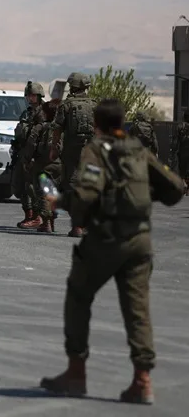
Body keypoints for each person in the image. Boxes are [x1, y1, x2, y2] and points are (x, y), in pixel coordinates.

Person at [40, 98, 184, 404]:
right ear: (122, 123)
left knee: (79, 294)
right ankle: (142, 380)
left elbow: (86, 195)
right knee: (138, 309)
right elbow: (175, 187)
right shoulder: (139, 150)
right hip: (141, 240)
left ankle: (76, 372)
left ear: (97, 125)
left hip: (107, 239)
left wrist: (63, 203)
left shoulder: (97, 150)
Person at [51, 72, 98, 238]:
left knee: (70, 184)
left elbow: (57, 128)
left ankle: (78, 225)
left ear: (73, 86)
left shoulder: (66, 105)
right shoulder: (94, 104)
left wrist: (54, 148)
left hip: (72, 150)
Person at [24, 99, 62, 232]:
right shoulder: (62, 128)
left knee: (42, 193)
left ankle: (46, 223)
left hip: (43, 164)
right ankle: (52, 221)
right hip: (59, 165)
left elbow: (30, 144)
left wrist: (27, 160)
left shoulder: (41, 127)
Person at [13, 81, 45, 229]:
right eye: (29, 96)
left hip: (37, 155)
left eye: (33, 96)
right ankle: (29, 215)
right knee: (21, 186)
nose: (30, 98)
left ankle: (39, 217)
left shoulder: (44, 112)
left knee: (34, 187)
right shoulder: (27, 112)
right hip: (24, 152)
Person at [169, 109, 189, 194]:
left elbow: (175, 142)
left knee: (182, 169)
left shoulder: (180, 126)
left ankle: (184, 184)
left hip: (183, 151)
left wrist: (173, 151)